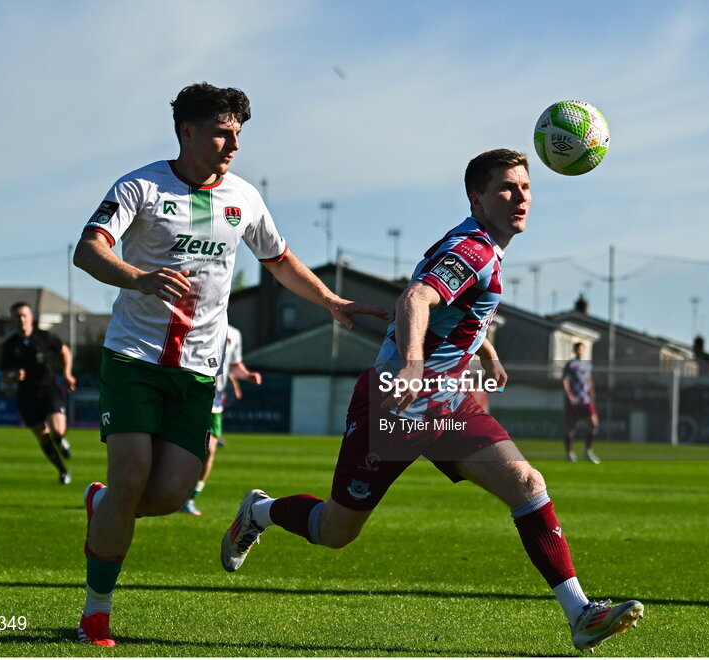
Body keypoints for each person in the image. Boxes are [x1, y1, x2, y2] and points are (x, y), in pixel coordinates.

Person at [220, 149, 643, 652]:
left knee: (528, 482)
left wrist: (482, 346)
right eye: (506, 188)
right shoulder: (476, 247)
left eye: (526, 188)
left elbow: (452, 302)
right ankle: (260, 512)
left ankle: (580, 613)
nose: (520, 197)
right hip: (395, 403)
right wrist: (414, 366)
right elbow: (415, 298)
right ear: (477, 198)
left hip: (448, 405)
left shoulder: (481, 245)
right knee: (334, 530)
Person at [71, 82, 386, 648]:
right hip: (135, 357)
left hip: (198, 369)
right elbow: (88, 249)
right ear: (186, 131)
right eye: (221, 130)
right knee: (133, 474)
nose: (233, 143)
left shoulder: (244, 197)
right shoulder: (139, 185)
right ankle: (97, 611)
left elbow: (280, 260)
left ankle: (103, 503)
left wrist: (331, 301)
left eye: (238, 132)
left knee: (169, 493)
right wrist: (138, 277)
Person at [180, 324, 260, 516]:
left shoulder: (234, 333)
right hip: (189, 395)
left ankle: (190, 498)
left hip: (215, 403)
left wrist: (247, 376)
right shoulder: (196, 323)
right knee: (179, 447)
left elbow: (234, 365)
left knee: (209, 450)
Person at [0, 301, 76, 484]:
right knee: (42, 435)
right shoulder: (10, 345)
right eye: (17, 316)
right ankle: (63, 471)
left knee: (57, 429)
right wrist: (13, 377)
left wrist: (67, 374)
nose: (21, 319)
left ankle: (60, 439)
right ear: (12, 320)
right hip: (26, 396)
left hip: (49, 390)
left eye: (24, 315)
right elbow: (5, 374)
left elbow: (65, 352)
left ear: (31, 318)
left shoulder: (44, 337)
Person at [562, 342, 600, 463]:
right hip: (575, 400)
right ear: (575, 350)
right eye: (577, 349)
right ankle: (569, 453)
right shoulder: (571, 364)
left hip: (586, 399)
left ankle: (588, 451)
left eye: (581, 349)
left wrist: (593, 394)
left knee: (594, 424)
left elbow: (589, 379)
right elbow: (565, 380)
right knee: (571, 426)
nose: (580, 351)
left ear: (584, 350)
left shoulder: (588, 364)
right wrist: (569, 394)